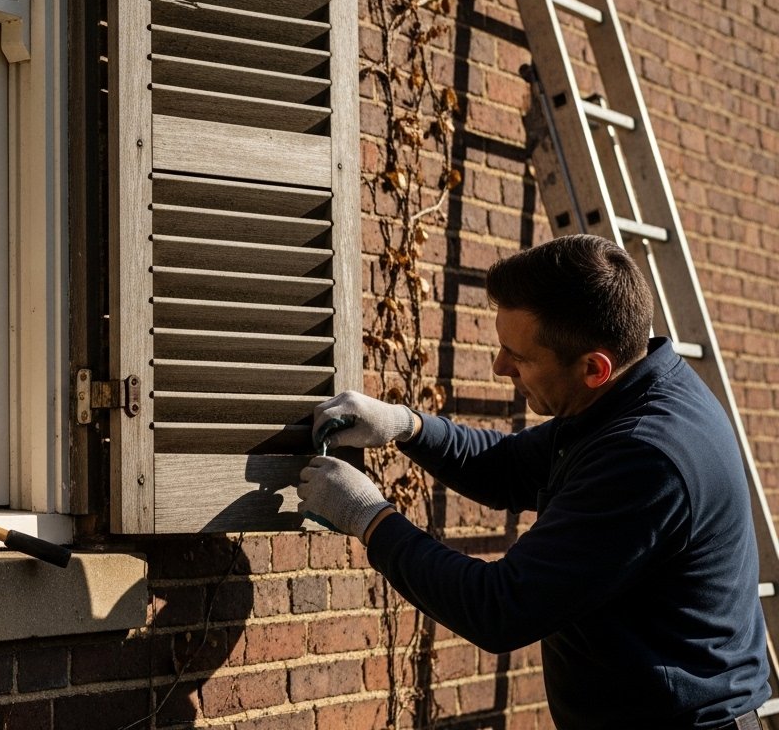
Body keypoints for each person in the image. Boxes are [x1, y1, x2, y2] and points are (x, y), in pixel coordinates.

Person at [298, 234, 770, 728]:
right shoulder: (630, 393)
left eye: (517, 357)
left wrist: (368, 518)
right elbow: (509, 468)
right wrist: (407, 426)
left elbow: (501, 607)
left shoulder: (644, 455)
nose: (500, 366)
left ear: (593, 367)